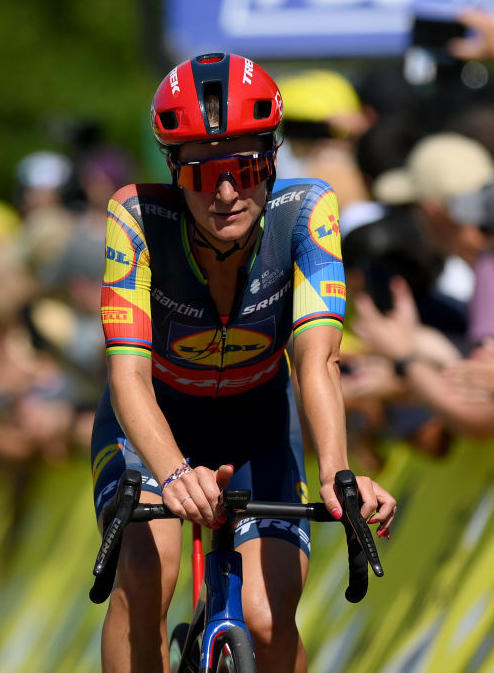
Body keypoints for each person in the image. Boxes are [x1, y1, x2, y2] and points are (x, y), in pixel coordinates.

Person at [91, 53, 396, 672]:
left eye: (246, 168)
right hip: (155, 423)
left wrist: (339, 474)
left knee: (267, 613)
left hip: (260, 421)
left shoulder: (307, 211)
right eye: (204, 175)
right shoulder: (136, 219)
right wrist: (174, 474)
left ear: (273, 161)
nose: (227, 193)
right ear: (174, 171)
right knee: (149, 573)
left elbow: (317, 362)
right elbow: (128, 376)